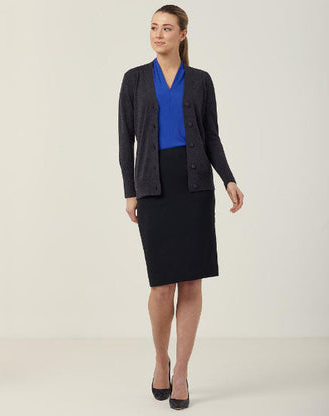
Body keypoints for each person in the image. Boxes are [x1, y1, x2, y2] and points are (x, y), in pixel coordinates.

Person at [117, 5, 244, 410]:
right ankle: (161, 360)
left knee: (191, 283)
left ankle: (183, 372)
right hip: (152, 186)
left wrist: (228, 179)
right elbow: (125, 140)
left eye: (167, 28)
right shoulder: (134, 79)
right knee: (161, 286)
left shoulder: (201, 81)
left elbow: (211, 137)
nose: (158, 34)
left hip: (194, 188)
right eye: (154, 27)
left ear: (183, 34)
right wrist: (130, 191)